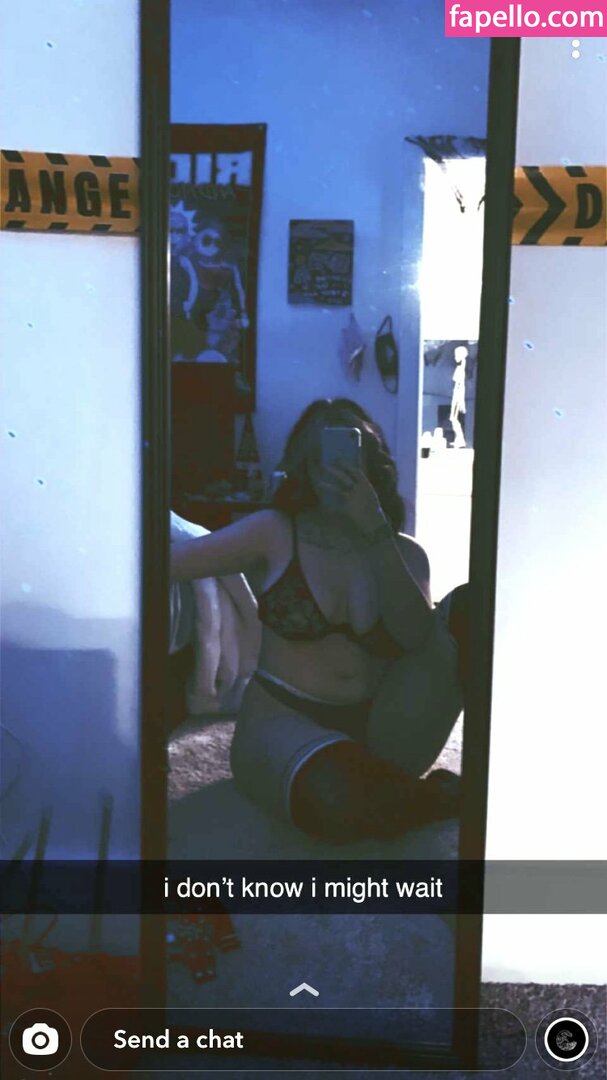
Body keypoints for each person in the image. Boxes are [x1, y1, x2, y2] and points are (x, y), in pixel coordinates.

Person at [171, 398, 460, 844]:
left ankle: (399, 790)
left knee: (470, 604)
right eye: (321, 456)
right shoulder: (273, 531)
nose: (335, 470)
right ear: (303, 465)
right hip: (285, 726)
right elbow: (171, 561)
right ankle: (423, 797)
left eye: (351, 455)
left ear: (374, 466)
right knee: (338, 799)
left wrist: (374, 530)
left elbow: (417, 639)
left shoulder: (404, 552)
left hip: (388, 729)